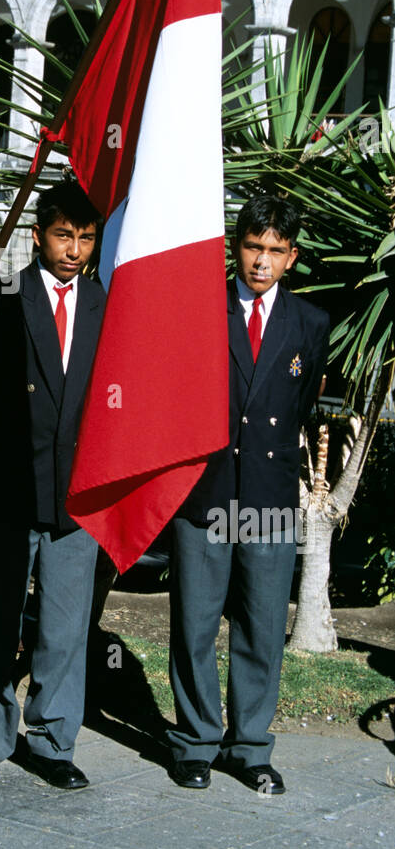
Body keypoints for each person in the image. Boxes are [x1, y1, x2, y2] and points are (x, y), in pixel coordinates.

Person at [166, 194, 329, 795]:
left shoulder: (311, 324)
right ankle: (195, 742)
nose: (261, 261)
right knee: (196, 622)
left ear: (292, 257)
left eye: (275, 251)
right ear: (236, 247)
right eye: (252, 247)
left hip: (268, 498)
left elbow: (300, 405)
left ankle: (251, 745)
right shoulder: (201, 309)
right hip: (206, 491)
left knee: (262, 625)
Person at [0, 180, 105, 793]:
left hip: (77, 495)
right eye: (64, 235)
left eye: (85, 238)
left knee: (66, 625)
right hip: (9, 489)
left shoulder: (105, 305)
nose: (74, 249)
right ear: (39, 234)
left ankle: (54, 739)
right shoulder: (1, 298)